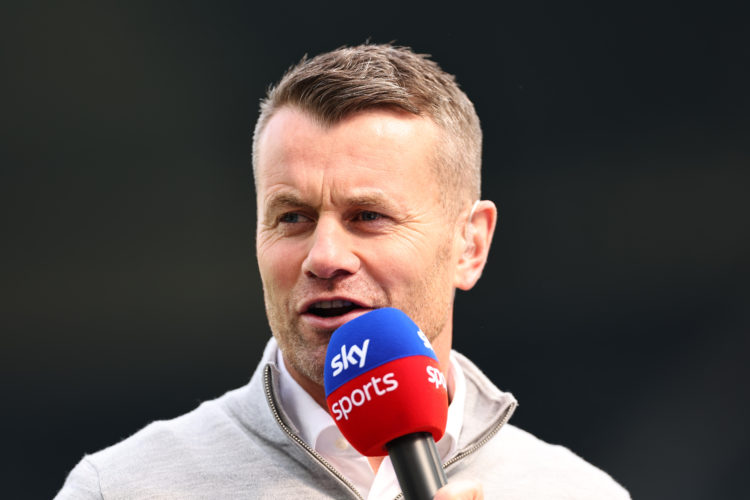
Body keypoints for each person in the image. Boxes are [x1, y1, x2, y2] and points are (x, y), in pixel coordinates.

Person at [56, 43, 630, 499]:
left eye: (369, 216)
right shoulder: (122, 489)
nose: (324, 256)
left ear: (469, 245)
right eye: (293, 217)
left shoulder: (577, 493)